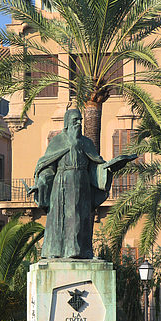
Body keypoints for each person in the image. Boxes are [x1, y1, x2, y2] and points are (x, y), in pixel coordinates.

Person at [30, 108, 135, 259]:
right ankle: (59, 251)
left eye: (80, 120)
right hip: (62, 185)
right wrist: (41, 184)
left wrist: (110, 167)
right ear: (66, 124)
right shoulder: (57, 141)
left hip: (83, 184)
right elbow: (47, 167)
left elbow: (96, 167)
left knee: (82, 219)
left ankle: (82, 252)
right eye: (75, 120)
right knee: (63, 218)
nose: (79, 123)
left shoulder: (87, 143)